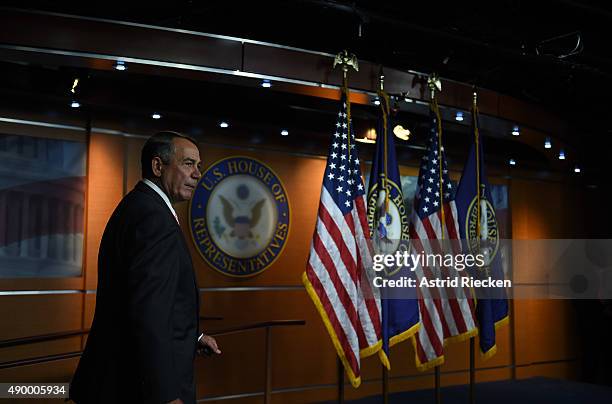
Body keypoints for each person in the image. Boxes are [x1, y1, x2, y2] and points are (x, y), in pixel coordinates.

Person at [70, 131, 221, 404]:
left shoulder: (142, 207)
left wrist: (193, 336)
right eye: (189, 164)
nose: (198, 173)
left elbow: (152, 298)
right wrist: (165, 394)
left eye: (199, 165)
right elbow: (148, 312)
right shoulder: (152, 218)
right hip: (137, 388)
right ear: (157, 166)